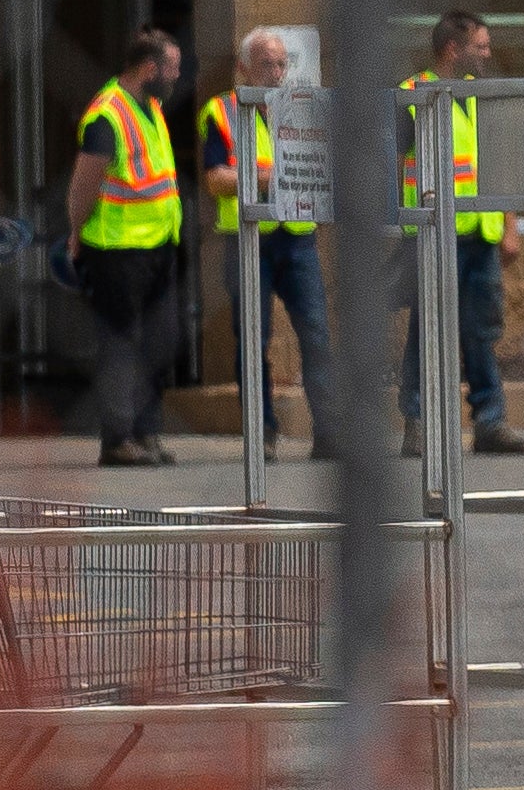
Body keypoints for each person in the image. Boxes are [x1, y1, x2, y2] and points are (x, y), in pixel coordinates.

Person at [397, 9, 524, 457]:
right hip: (434, 235)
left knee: (481, 331)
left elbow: (502, 165)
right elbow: (388, 163)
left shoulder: (480, 96)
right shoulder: (412, 96)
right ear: (454, 49)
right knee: (426, 331)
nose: (488, 54)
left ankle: (490, 422)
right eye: (481, 46)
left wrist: (509, 225)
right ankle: (417, 422)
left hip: (480, 234)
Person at [199, 25, 328, 452]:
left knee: (316, 334)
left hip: (296, 237)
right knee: (253, 338)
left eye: (281, 64)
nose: (275, 73)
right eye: (266, 64)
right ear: (243, 68)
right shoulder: (222, 112)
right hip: (248, 239)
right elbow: (216, 179)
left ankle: (329, 432)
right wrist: (268, 178)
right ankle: (263, 432)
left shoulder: (301, 108)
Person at [64, 25, 186, 467]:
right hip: (116, 248)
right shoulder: (108, 114)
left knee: (160, 341)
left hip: (157, 243)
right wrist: (76, 231)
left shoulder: (150, 106)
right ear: (149, 68)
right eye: (171, 68)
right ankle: (117, 439)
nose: (177, 76)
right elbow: (84, 185)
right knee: (120, 344)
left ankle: (146, 431)